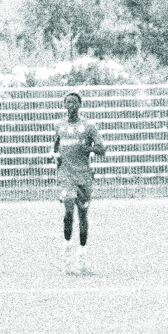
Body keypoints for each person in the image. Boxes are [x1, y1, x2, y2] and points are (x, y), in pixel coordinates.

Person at [53, 92, 105, 273]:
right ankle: (66, 254)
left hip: (84, 177)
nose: (71, 106)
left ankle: (81, 258)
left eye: (74, 102)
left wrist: (88, 148)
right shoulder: (59, 125)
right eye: (68, 102)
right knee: (68, 211)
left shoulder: (89, 126)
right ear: (64, 105)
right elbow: (56, 145)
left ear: (80, 104)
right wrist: (56, 158)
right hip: (66, 176)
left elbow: (102, 149)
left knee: (83, 216)